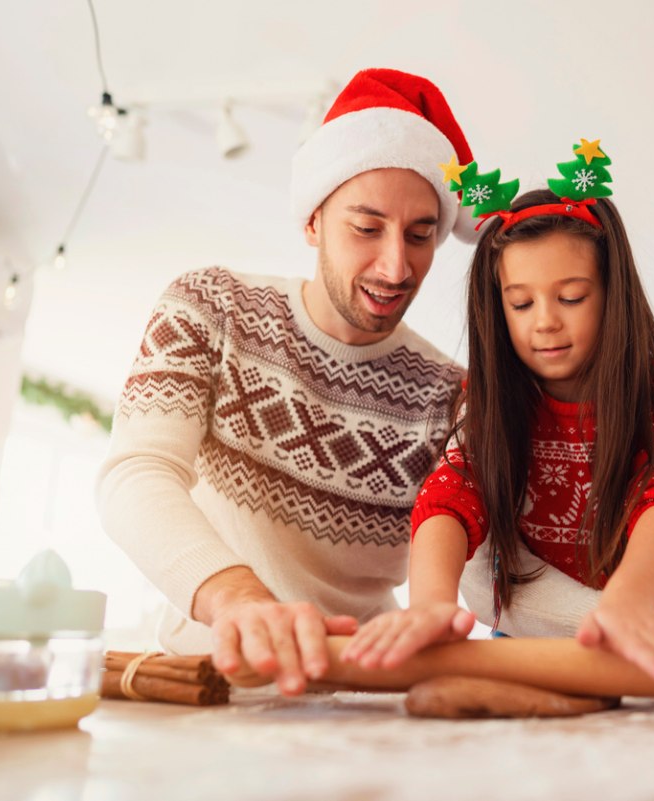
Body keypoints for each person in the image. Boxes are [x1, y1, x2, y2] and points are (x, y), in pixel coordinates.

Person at [342, 164, 654, 699]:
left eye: (572, 297)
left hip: (623, 636)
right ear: (498, 308)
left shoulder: (649, 395)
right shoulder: (487, 406)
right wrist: (431, 608)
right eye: (521, 303)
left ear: (611, 295)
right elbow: (449, 498)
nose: (545, 322)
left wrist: (628, 603)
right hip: (516, 636)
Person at [96, 68, 481, 696]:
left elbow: (489, 571)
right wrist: (237, 598)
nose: (396, 265)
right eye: (366, 227)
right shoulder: (209, 308)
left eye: (421, 235)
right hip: (201, 686)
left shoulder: (452, 396)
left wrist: (629, 611)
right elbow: (134, 474)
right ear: (312, 222)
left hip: (362, 704)